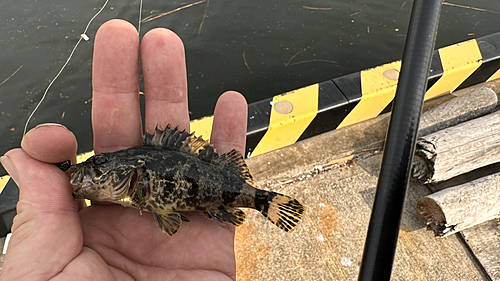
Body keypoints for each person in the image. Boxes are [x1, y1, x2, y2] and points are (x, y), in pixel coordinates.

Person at [0, 19, 247, 280]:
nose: (89, 171)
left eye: (99, 165)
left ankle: (261, 201)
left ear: (131, 174)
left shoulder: (138, 183)